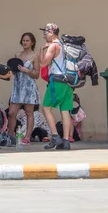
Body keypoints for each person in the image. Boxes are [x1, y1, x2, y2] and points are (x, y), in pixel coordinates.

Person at [39, 23, 72, 151]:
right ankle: (66, 140)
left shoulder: (53, 46)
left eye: (45, 32)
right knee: (65, 111)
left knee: (46, 108)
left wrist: (42, 50)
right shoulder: (64, 45)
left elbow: (42, 64)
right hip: (68, 82)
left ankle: (54, 136)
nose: (44, 35)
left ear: (52, 32)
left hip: (57, 81)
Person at [7, 32, 40, 144]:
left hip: (29, 87)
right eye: (23, 40)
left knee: (29, 112)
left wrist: (27, 71)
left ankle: (27, 137)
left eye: (27, 41)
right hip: (17, 86)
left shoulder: (35, 56)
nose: (25, 42)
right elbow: (13, 69)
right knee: (12, 112)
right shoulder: (17, 54)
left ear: (32, 42)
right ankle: (10, 135)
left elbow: (37, 75)